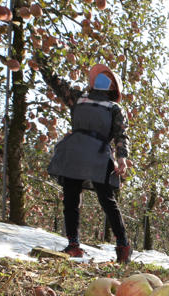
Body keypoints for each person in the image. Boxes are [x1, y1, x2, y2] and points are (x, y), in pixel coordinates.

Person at [36, 55, 132, 263]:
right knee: (78, 198)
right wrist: (42, 64)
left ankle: (121, 245)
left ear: (113, 88)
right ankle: (77, 244)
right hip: (81, 152)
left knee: (103, 199)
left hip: (90, 152)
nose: (103, 81)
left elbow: (121, 134)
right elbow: (56, 82)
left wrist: (122, 157)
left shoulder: (109, 107)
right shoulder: (81, 98)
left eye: (107, 79)